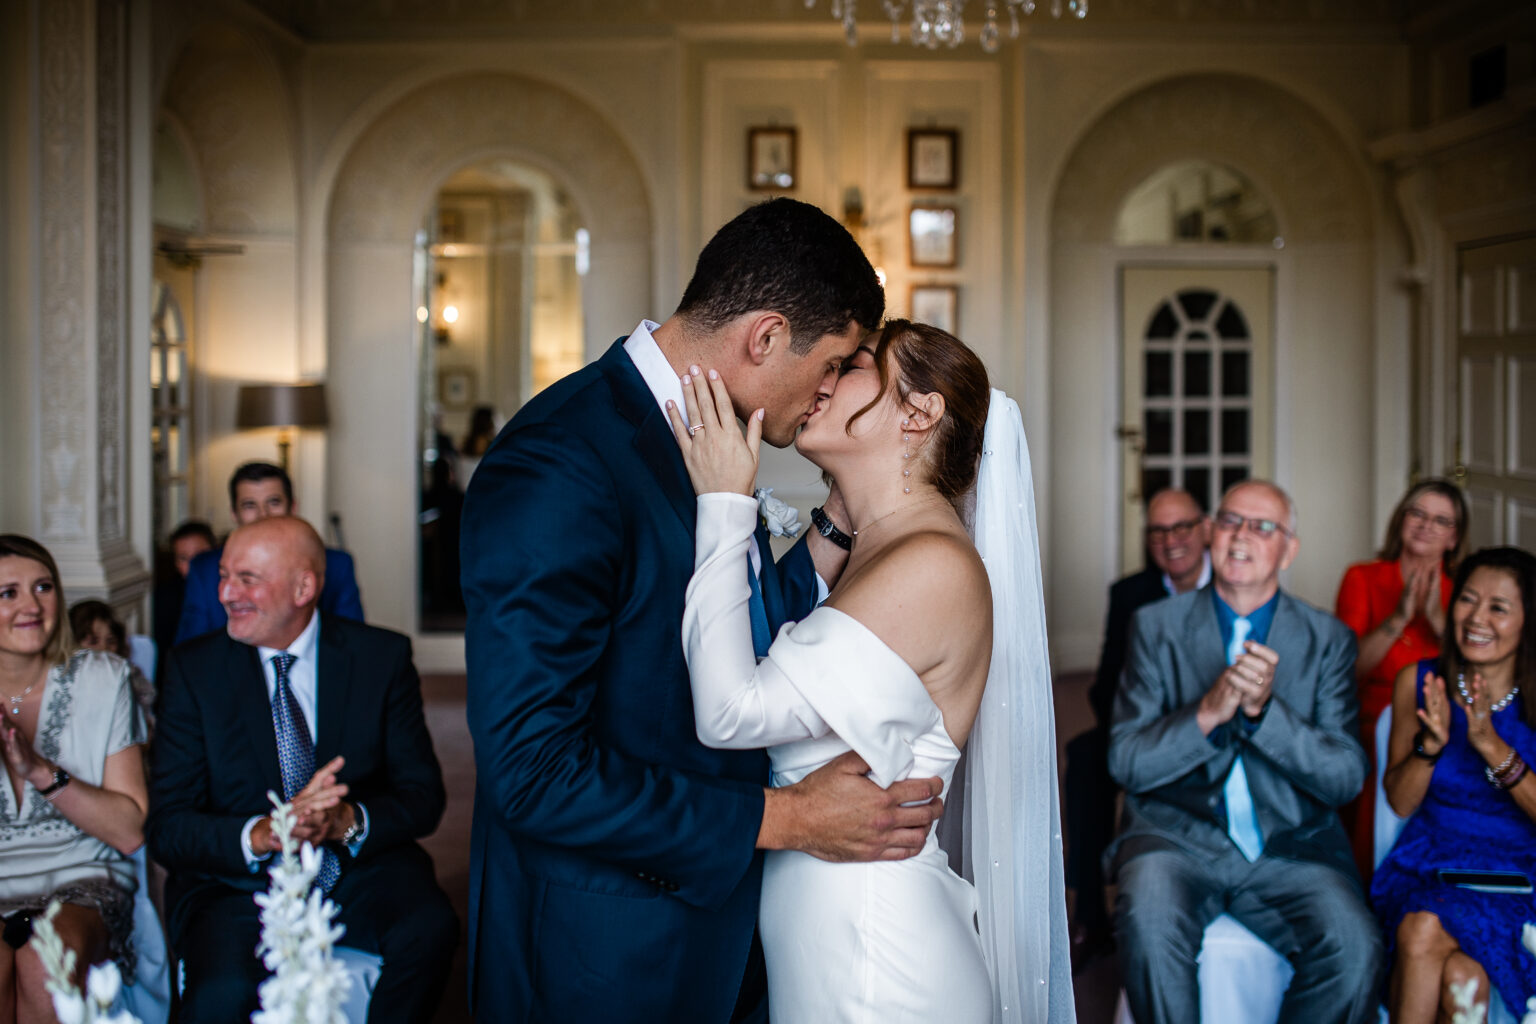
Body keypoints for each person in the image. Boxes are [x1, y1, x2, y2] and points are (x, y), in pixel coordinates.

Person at [459, 198, 946, 1022]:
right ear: (763, 337)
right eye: (830, 364)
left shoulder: (705, 432)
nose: (829, 390)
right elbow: (532, 772)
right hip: (602, 952)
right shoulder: (560, 463)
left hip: (713, 928)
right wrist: (784, 819)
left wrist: (832, 526)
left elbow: (723, 632)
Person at [670, 320, 1073, 1022]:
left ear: (917, 415)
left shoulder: (932, 566)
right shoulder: (879, 550)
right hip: (832, 944)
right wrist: (833, 518)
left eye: (854, 367)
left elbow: (731, 711)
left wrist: (725, 506)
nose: (822, 381)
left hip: (879, 961)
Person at [147, 516, 455, 1023]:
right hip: (237, 889)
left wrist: (345, 821)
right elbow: (167, 827)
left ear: (304, 587)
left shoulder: (381, 656)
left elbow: (424, 796)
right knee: (219, 994)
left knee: (430, 929)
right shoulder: (192, 670)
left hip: (356, 872)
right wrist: (264, 834)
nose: (225, 593)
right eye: (223, 576)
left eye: (247, 578)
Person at [1108, 480, 1383, 1024]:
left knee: (1357, 949)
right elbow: (1127, 761)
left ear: (1289, 549)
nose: (1241, 537)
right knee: (1148, 917)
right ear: (1211, 533)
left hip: (1292, 846)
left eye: (1262, 527)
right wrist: (1208, 712)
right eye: (1230, 521)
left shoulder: (1327, 639)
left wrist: (1264, 714)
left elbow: (1344, 777)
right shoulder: (1155, 627)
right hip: (1174, 838)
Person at [1372, 546, 1536, 1022]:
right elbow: (1401, 803)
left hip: (1521, 884)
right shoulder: (1420, 683)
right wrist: (1430, 746)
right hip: (1429, 870)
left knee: (1453, 967)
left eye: (1498, 607)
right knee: (1436, 942)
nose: (1475, 618)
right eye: (1467, 599)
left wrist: (1491, 747)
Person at [0, 535, 148, 1022]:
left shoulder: (104, 679)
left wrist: (40, 771)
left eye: (43, 587)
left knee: (48, 965)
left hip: (82, 876)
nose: (31, 605)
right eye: (9, 593)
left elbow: (128, 831)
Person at [1064, 487, 1210, 962]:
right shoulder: (1130, 594)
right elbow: (1104, 685)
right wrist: (1141, 726)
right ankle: (1090, 912)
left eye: (1182, 527)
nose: (1171, 541)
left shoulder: (1232, 582)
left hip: (1214, 728)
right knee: (1086, 759)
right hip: (1142, 724)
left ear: (1205, 529)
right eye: (1158, 531)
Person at [1335, 478, 1466, 878]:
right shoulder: (1364, 578)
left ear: (1454, 537)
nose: (1426, 525)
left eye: (1441, 520)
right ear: (1401, 521)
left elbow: (1475, 674)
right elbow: (1345, 671)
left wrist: (1438, 621)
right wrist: (1398, 619)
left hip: (1446, 722)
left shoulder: (1463, 590)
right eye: (1418, 514)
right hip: (1372, 719)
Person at [175, 462, 364, 643]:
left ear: (293, 507)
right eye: (250, 505)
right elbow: (190, 653)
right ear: (234, 513)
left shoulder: (336, 565)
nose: (263, 514)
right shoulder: (204, 569)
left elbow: (354, 642)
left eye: (273, 502)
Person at [69, 598, 155, 726]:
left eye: (111, 641)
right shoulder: (67, 679)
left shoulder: (128, 672)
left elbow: (146, 700)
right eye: (93, 642)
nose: (104, 649)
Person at [153, 520, 215, 668]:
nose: (193, 564)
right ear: (175, 563)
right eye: (183, 558)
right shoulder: (166, 598)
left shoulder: (231, 591)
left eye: (200, 555)